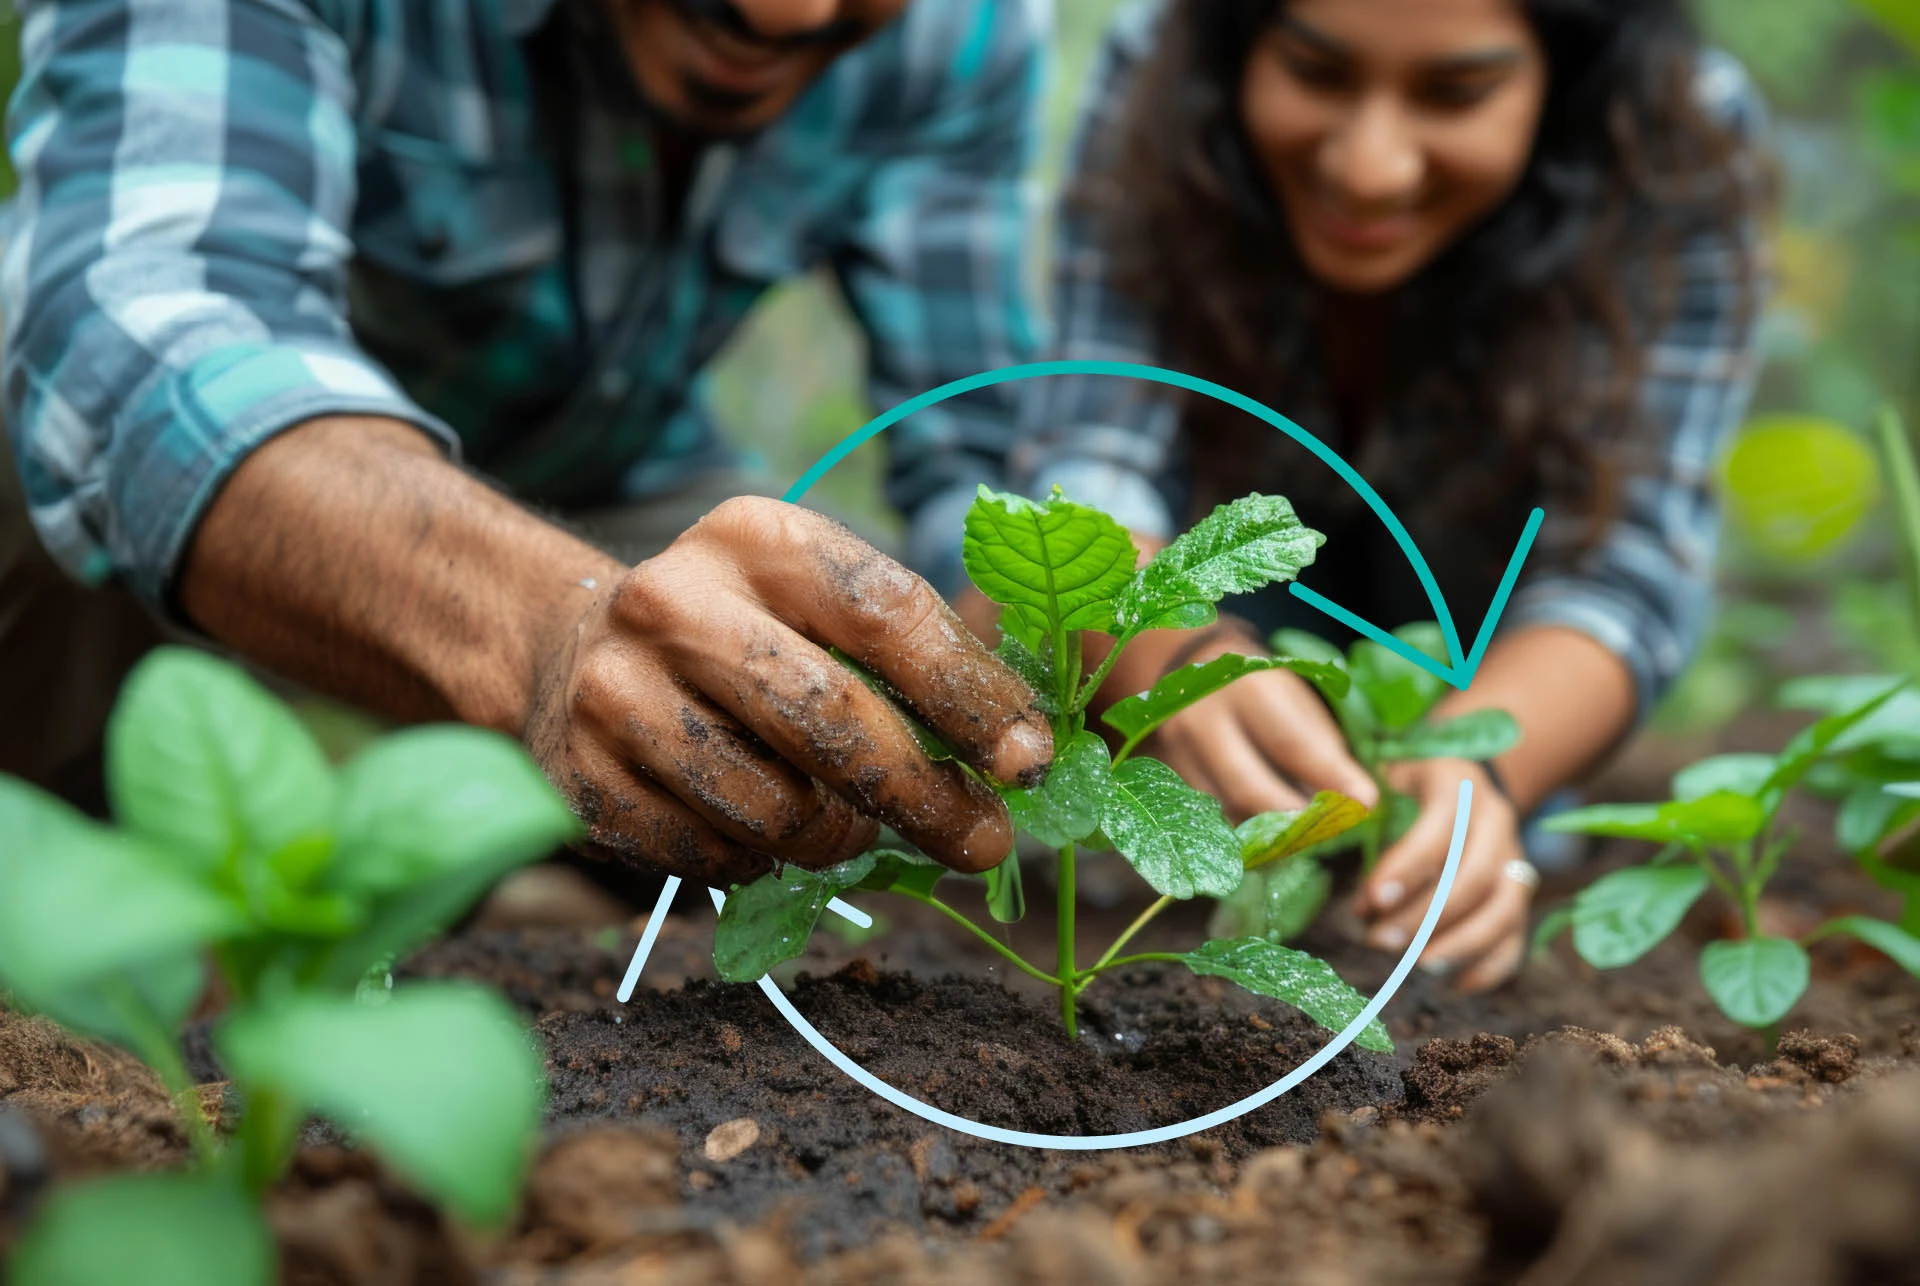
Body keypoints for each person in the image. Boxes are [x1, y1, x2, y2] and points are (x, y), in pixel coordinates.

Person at [0, 0, 1056, 885]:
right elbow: (137, 341)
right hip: (247, 502)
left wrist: (1122, 638)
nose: (792, 13)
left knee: (825, 641)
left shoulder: (961, 34)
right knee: (37, 456)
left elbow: (976, 452)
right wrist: (550, 633)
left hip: (601, 484)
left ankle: (521, 886)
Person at [1016, 0, 1771, 990]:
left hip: (1479, 641)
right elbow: (1092, 460)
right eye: (1318, 74)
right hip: (1225, 616)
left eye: (1457, 93)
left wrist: (1482, 771)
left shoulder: (1678, 132)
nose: (1371, 168)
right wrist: (1174, 658)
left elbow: (1626, 559)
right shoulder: (1160, 63)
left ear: (1571, 74)